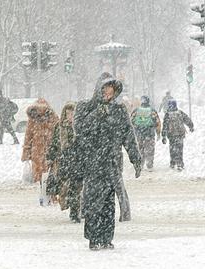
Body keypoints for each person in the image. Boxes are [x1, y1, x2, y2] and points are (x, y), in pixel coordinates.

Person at [73, 73, 141, 250]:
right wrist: (97, 114)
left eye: (112, 89)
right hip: (93, 165)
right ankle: (93, 238)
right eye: (105, 88)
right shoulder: (85, 107)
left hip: (112, 165)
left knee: (109, 205)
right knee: (94, 203)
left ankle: (106, 237)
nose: (108, 92)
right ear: (99, 89)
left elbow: (128, 135)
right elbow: (80, 130)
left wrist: (135, 158)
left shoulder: (118, 111)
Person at [46, 102, 83, 223]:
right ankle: (71, 206)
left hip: (78, 161)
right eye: (68, 113)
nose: (70, 115)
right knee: (65, 188)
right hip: (64, 162)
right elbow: (54, 143)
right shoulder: (60, 126)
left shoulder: (80, 126)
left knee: (76, 187)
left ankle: (75, 212)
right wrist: (50, 157)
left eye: (73, 113)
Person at [21, 98, 59, 182]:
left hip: (41, 150)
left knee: (43, 171)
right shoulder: (53, 117)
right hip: (45, 149)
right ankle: (43, 184)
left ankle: (43, 184)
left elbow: (28, 137)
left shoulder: (33, 119)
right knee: (45, 171)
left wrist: (26, 153)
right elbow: (28, 136)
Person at [161, 100, 194, 171]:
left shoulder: (167, 114)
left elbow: (165, 126)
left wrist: (163, 136)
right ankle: (180, 164)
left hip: (171, 135)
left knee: (172, 149)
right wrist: (191, 126)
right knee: (179, 149)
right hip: (180, 134)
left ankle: (172, 163)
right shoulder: (180, 113)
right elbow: (187, 119)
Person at [131, 95, 161, 170]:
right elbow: (157, 122)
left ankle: (141, 164)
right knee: (150, 149)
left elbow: (131, 121)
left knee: (140, 149)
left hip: (139, 133)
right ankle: (149, 165)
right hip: (149, 133)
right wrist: (158, 133)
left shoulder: (136, 110)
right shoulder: (152, 110)